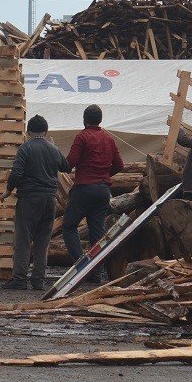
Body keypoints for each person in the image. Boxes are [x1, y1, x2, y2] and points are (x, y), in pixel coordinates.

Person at [1, 115, 70, 291]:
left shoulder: (25, 148)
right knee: (42, 241)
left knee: (23, 239)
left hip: (29, 199)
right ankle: (38, 280)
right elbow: (66, 167)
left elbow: (16, 173)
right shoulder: (53, 148)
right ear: (46, 131)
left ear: (28, 131)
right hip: (49, 200)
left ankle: (19, 279)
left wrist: (9, 190)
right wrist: (54, 147)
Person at [60, 104, 124, 279]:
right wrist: (104, 175)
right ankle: (96, 271)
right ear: (100, 120)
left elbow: (69, 163)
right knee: (97, 232)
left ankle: (82, 264)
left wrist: (58, 160)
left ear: (84, 119)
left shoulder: (82, 137)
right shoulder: (109, 138)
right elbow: (120, 164)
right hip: (103, 190)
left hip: (84, 188)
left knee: (69, 226)